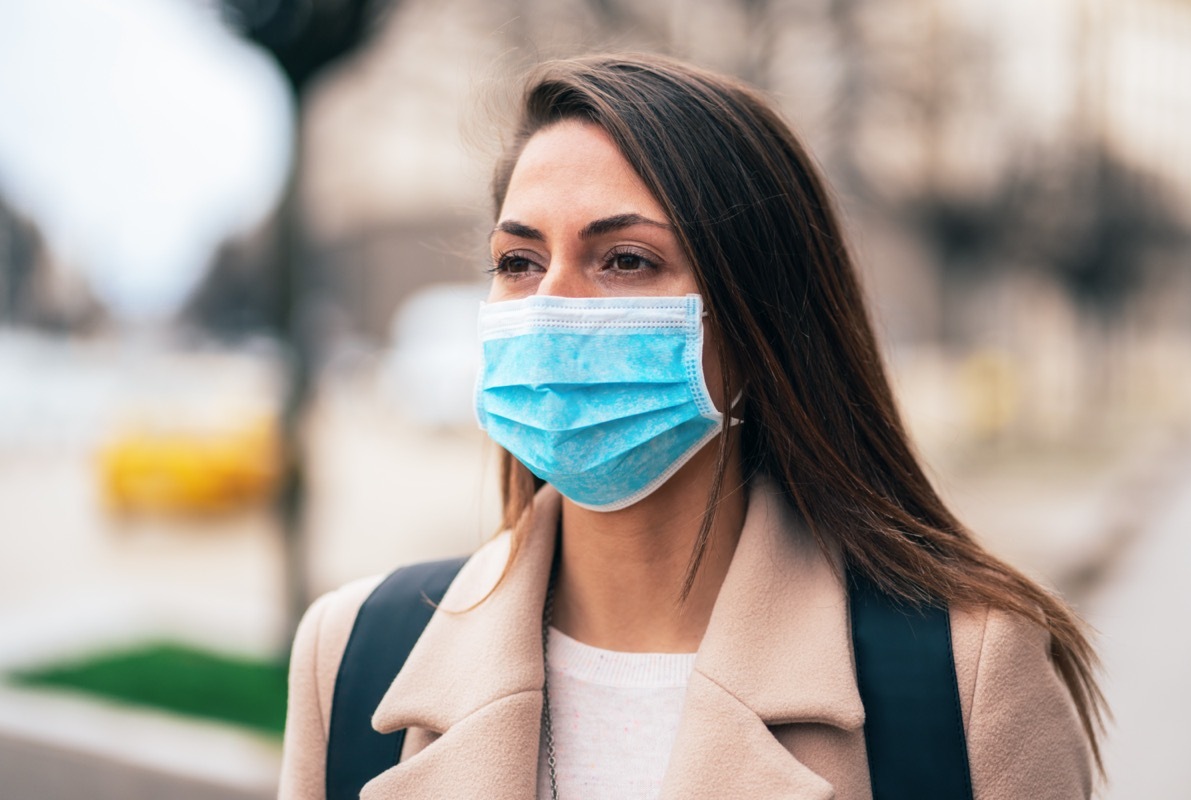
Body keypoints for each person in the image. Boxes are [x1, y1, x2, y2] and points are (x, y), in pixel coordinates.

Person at [279, 53, 1104, 799]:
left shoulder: (967, 676)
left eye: (626, 260)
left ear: (758, 326)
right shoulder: (351, 657)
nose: (551, 307)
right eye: (519, 262)